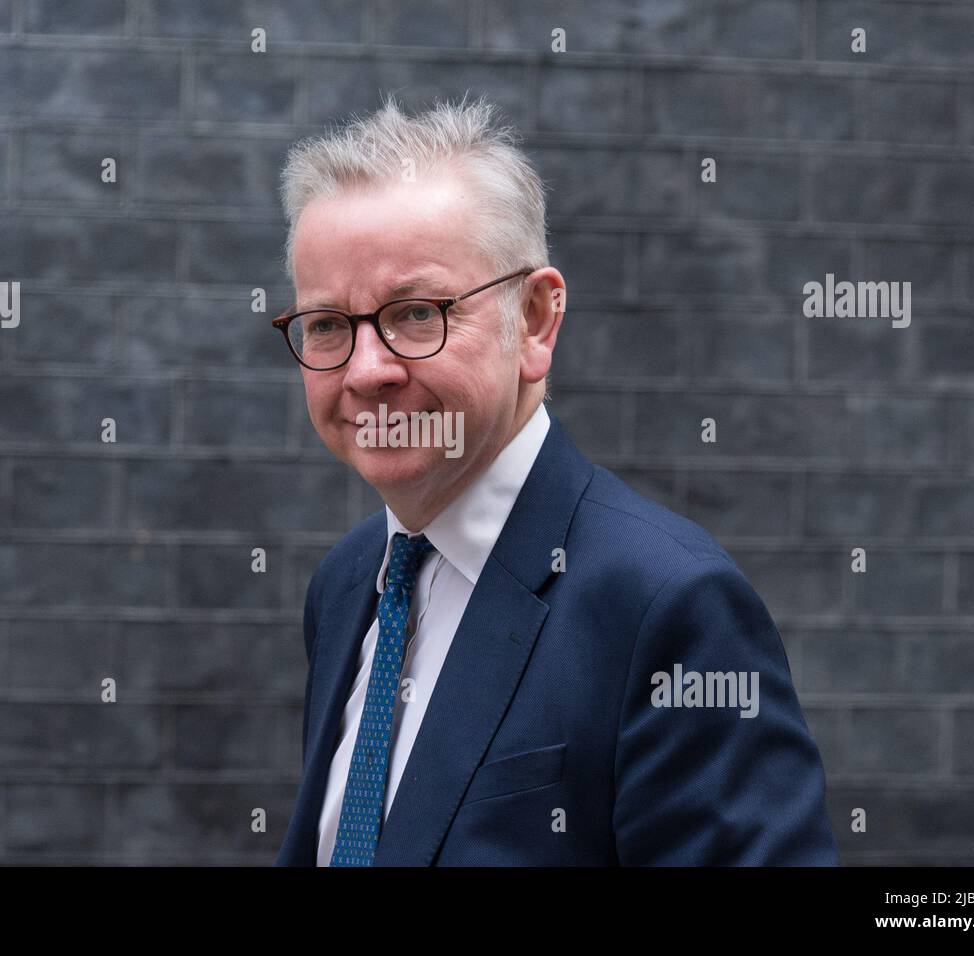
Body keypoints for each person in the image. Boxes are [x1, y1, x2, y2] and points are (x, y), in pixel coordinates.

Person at [271, 94, 839, 866]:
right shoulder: (347, 588)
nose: (368, 370)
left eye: (415, 313)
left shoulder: (669, 607)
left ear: (534, 321)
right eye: (329, 324)